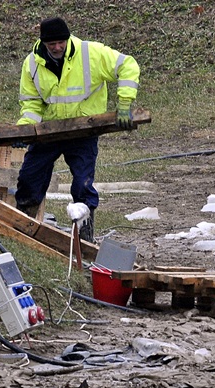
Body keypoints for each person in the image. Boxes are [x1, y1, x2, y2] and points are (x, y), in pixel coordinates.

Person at [13, 17, 140, 242]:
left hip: (84, 131)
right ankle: (24, 228)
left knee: (83, 182)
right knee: (29, 179)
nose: (57, 47)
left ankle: (84, 236)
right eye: (52, 44)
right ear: (43, 43)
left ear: (67, 38)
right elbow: (31, 103)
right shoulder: (32, 63)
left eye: (61, 42)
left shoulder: (90, 53)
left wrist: (124, 103)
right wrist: (25, 129)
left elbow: (127, 64)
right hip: (48, 132)